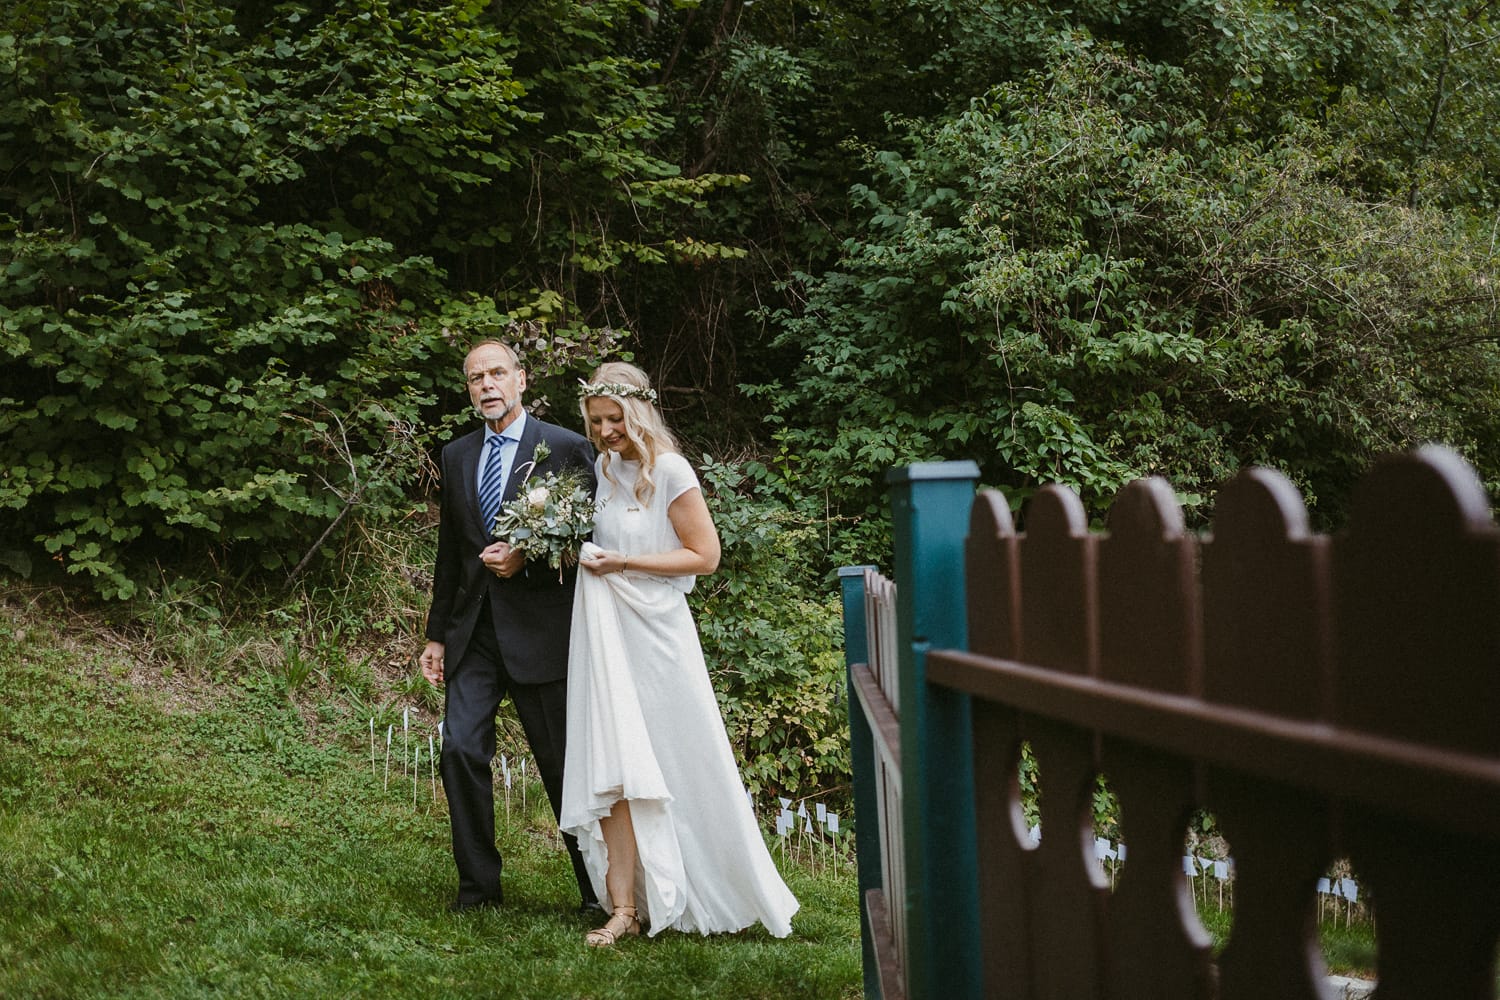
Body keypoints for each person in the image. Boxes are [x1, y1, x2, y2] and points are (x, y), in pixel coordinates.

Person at [560, 361, 799, 946]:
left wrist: (623, 563)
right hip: (606, 631)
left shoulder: (670, 470)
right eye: (595, 421)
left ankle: (709, 883)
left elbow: (704, 556)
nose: (605, 430)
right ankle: (624, 907)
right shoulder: (603, 467)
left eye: (615, 418)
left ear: (638, 412)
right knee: (614, 765)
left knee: (675, 762)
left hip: (659, 636)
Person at [419, 339, 599, 913]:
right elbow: (451, 550)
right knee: (460, 750)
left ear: (521, 380)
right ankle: (478, 889)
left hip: (543, 633)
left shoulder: (567, 448)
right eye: (476, 378)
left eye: (497, 373)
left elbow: (594, 541)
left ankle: (598, 891)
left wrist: (529, 555)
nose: (487, 385)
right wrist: (435, 632)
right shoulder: (456, 455)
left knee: (562, 764)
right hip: (473, 635)